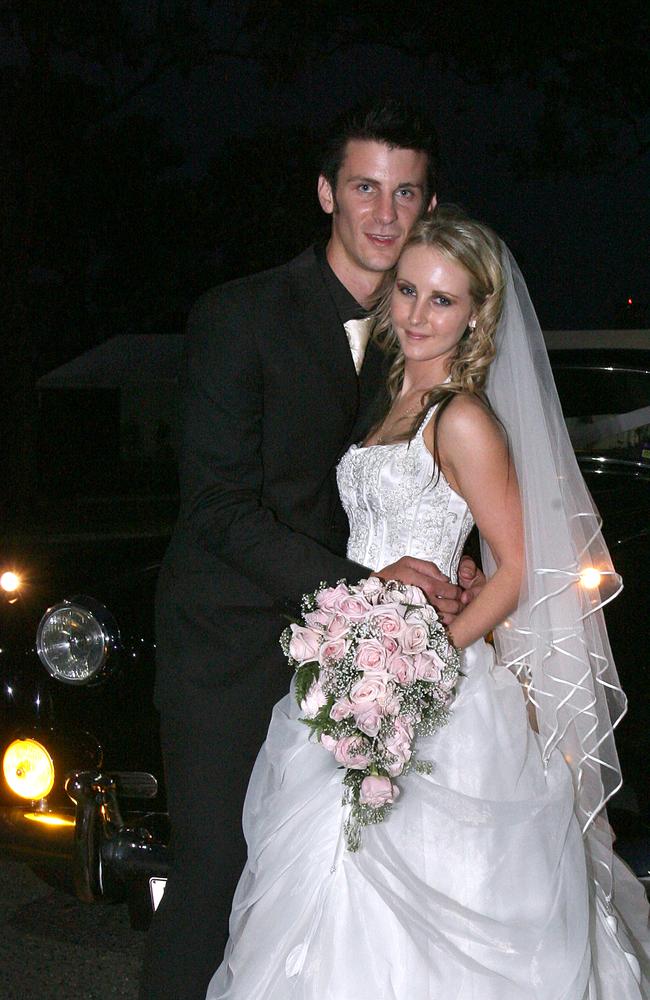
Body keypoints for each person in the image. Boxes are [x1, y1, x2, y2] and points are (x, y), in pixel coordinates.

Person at [206, 207, 650, 999]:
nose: (415, 314)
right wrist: (368, 657)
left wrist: (424, 664)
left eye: (441, 300)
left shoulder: (464, 416)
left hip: (430, 690)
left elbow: (515, 568)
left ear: (477, 312)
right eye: (407, 290)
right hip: (352, 676)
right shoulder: (387, 402)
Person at [139, 101, 484, 1000]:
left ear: (430, 204)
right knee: (217, 877)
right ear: (327, 192)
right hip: (233, 647)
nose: (383, 214)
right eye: (364, 187)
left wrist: (459, 554)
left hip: (362, 664)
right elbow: (218, 509)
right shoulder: (240, 315)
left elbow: (437, 462)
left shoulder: (421, 331)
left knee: (337, 893)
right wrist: (371, 587)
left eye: (405, 193)